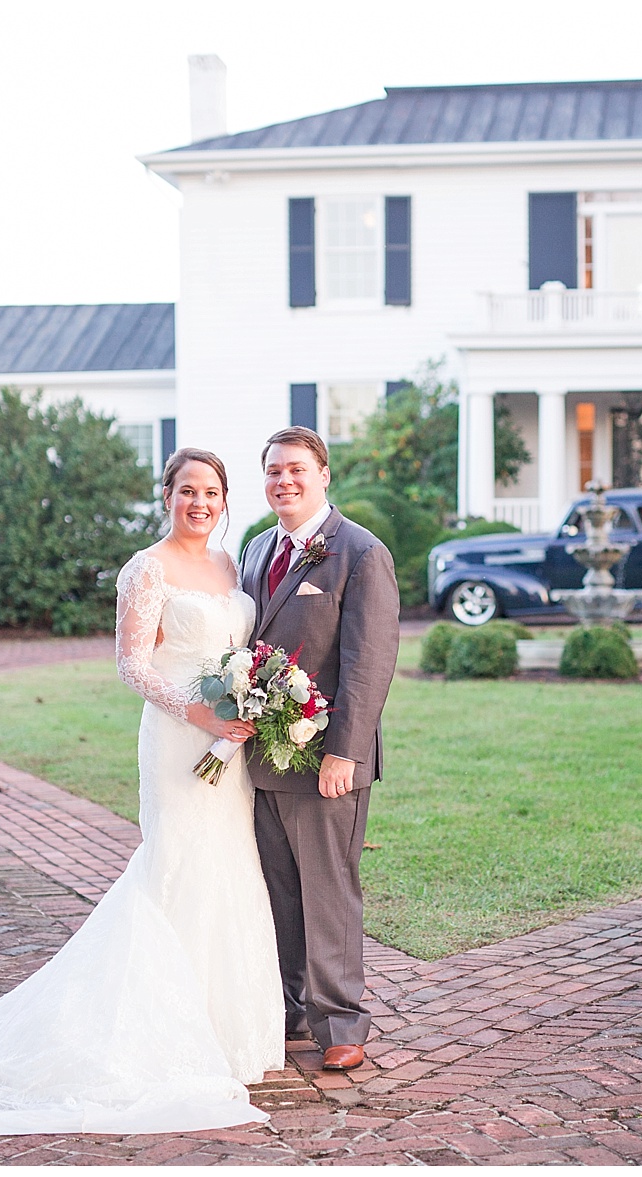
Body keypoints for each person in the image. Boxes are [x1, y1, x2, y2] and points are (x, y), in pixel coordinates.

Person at [0, 447, 284, 1135]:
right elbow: (132, 664)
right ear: (165, 495)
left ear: (224, 499)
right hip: (179, 738)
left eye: (211, 491)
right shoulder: (147, 567)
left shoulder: (232, 567)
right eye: (186, 490)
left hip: (230, 744)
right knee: (175, 862)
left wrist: (245, 708)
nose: (199, 502)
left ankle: (226, 1032)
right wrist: (202, 715)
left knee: (228, 866)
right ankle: (153, 1032)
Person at [240, 427, 401, 1072]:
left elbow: (370, 663)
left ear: (324, 475)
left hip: (326, 758)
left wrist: (345, 752)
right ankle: (291, 1011)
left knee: (329, 890)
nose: (285, 481)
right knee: (277, 891)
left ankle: (341, 1022)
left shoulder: (361, 553)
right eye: (274, 471)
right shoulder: (256, 549)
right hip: (263, 756)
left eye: (297, 470)